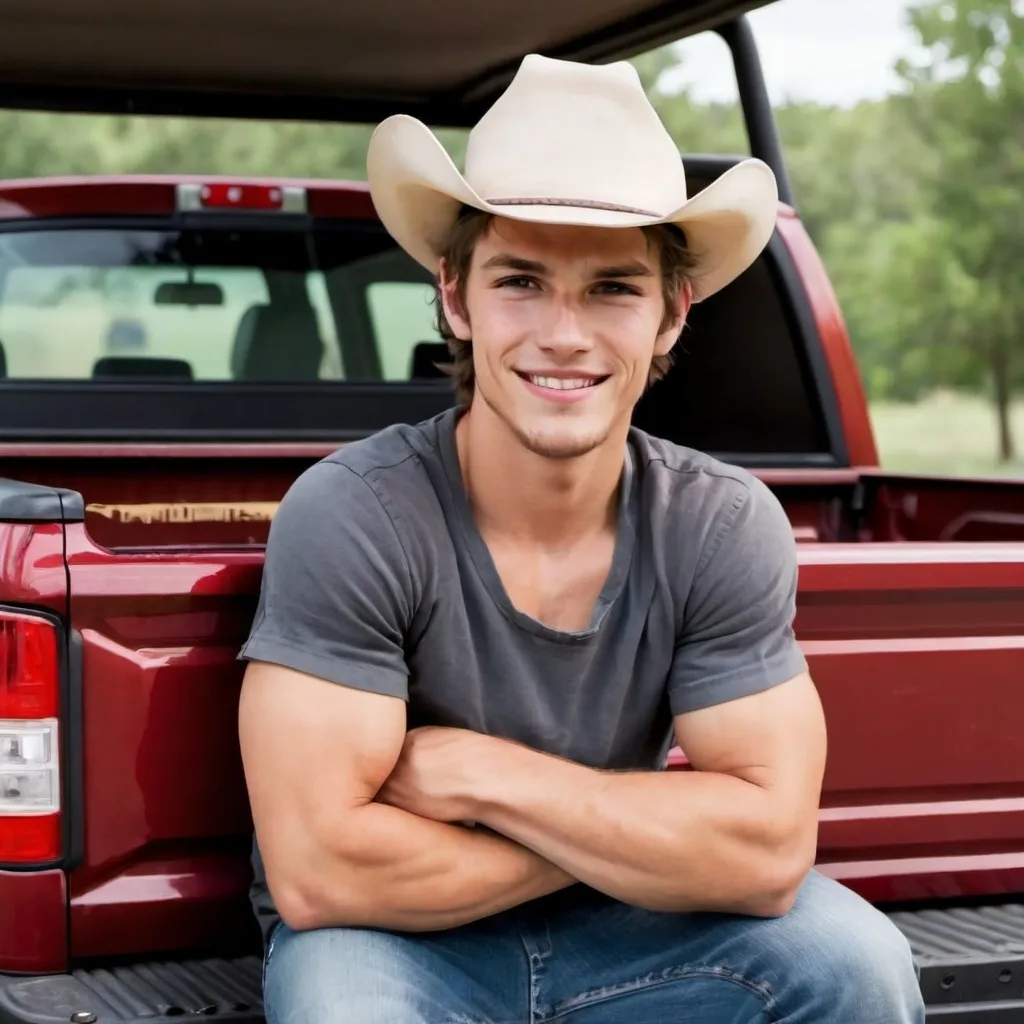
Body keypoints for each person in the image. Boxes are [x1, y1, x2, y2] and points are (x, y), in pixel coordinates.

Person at [237, 53, 925, 1024]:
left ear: (669, 315)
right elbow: (323, 874)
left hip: (634, 920)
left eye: (610, 289)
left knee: (853, 961)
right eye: (521, 280)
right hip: (390, 945)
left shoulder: (717, 523)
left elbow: (768, 853)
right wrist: (643, 831)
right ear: (456, 298)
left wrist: (487, 773)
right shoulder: (354, 513)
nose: (564, 334)